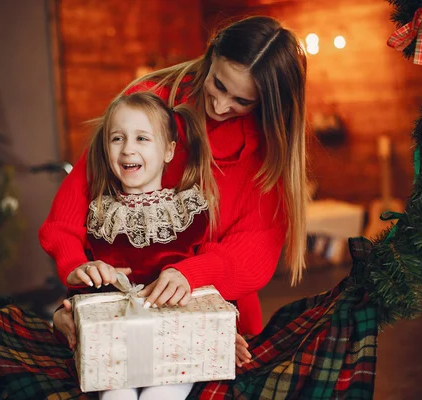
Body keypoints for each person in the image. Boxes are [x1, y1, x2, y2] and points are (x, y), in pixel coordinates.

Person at [40, 14, 308, 363]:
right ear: (210, 57)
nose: (221, 105)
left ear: (270, 104)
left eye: (243, 101)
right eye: (220, 84)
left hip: (210, 309)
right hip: (119, 306)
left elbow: (255, 247)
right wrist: (75, 268)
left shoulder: (268, 151)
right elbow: (74, 203)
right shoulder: (148, 103)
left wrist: (193, 273)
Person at [69, 91, 220, 399]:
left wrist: (226, 331)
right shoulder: (100, 215)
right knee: (116, 396)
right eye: (117, 139)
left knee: (161, 395)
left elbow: (211, 277)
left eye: (142, 138)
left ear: (168, 150)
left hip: (177, 340)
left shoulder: (188, 212)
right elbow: (87, 293)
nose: (127, 149)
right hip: (116, 340)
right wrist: (83, 277)